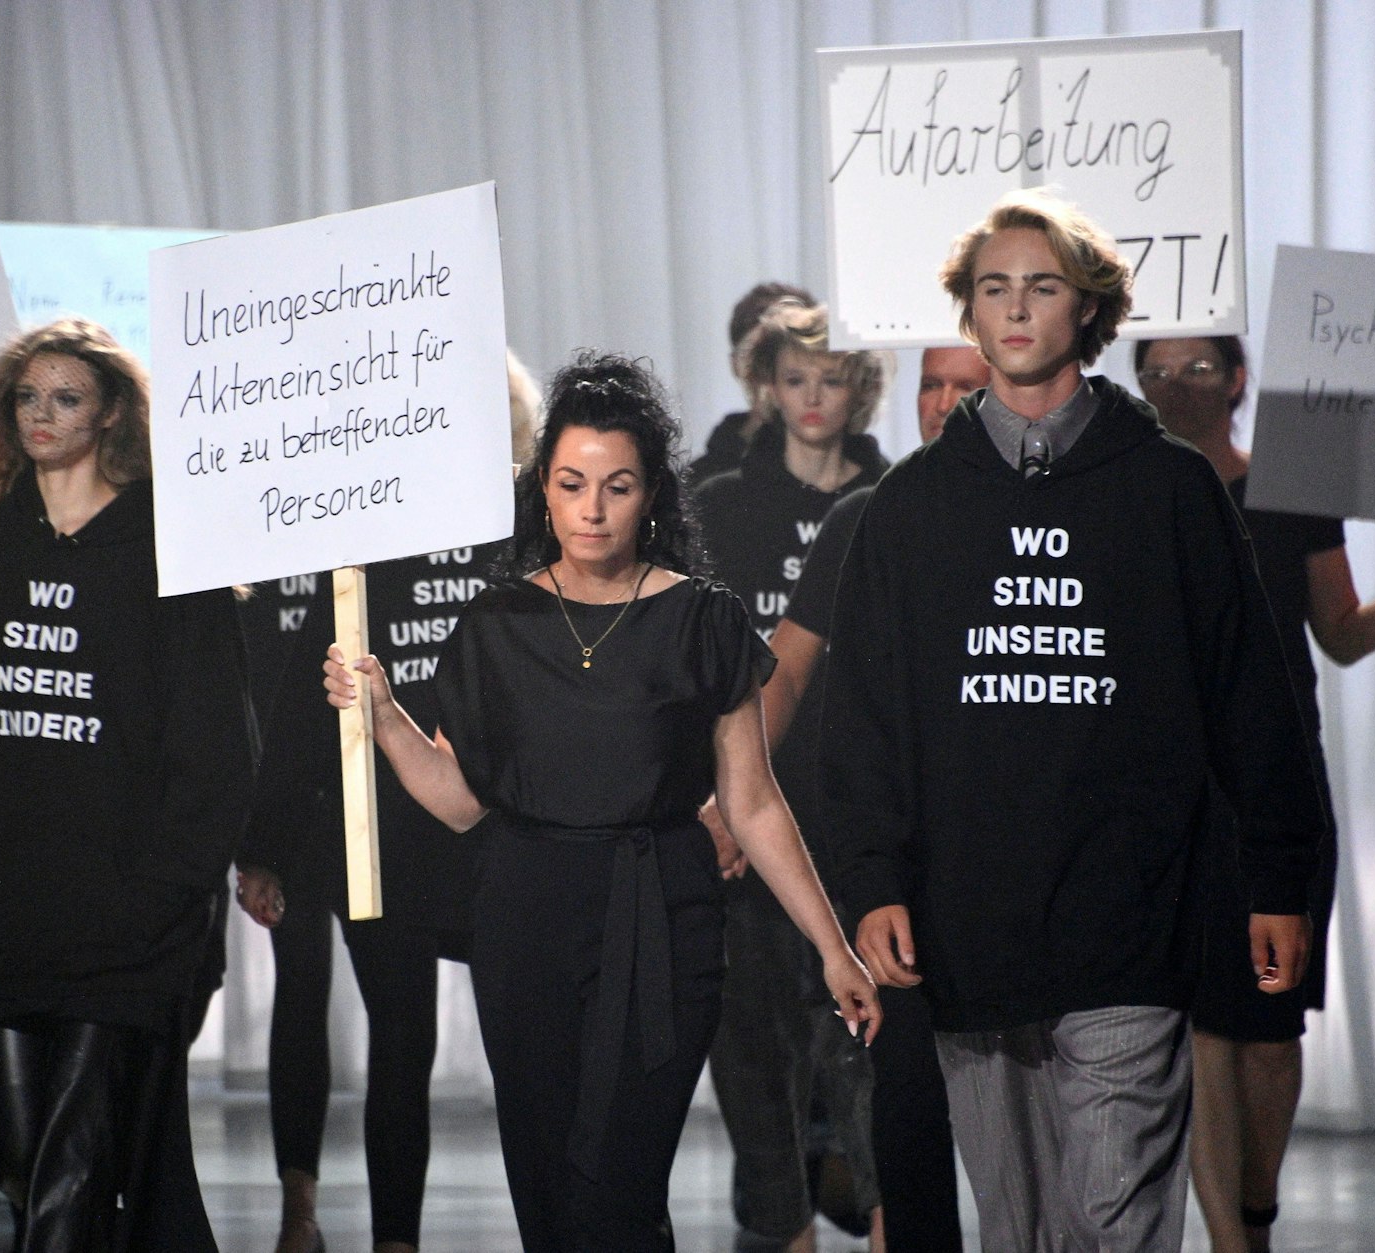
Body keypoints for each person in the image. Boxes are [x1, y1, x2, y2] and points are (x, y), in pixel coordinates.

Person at [823, 190, 1326, 1251]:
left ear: (1085, 310)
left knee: (1109, 1218)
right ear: (966, 311)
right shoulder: (907, 509)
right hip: (964, 930)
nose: (1014, 308)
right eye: (992, 287)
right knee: (1018, 1228)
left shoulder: (1170, 491)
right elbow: (862, 715)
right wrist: (868, 881)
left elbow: (1251, 695)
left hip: (1129, 922)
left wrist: (1278, 877)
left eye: (1041, 285)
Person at [325, 351, 880, 1251]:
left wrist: (833, 948)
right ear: (540, 487)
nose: (591, 508)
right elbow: (462, 803)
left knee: (616, 1195)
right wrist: (384, 715)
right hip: (523, 924)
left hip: (662, 917)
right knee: (547, 1198)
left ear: (651, 492)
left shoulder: (703, 617)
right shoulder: (497, 623)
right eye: (571, 482)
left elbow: (753, 802)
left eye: (616, 486)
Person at [0, 318, 253, 1250]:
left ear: (110, 413)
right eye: (27, 396)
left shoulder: (170, 550)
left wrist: (173, 881)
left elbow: (219, 733)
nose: (42, 415)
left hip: (125, 921)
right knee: (31, 1164)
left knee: (68, 1164)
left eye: (66, 397)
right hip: (4, 913)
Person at [1133, 334, 1375, 1252]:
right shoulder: (1130, 491)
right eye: (1156, 370)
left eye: (1197, 368)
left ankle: (1257, 1213)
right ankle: (1233, 1243)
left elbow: (1346, 633)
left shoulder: (1291, 491)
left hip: (1278, 786)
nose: (1176, 386)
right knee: (1202, 1024)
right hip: (1171, 795)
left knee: (1271, 1030)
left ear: (1239, 380)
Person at [234, 351, 541, 1253]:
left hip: (505, 832)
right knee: (403, 1043)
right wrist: (263, 846)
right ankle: (391, 1240)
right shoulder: (373, 534)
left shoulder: (534, 537)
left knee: (525, 1045)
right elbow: (304, 694)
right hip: (387, 834)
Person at [746, 343, 989, 1253]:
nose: (945, 403)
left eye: (965, 386)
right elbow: (788, 665)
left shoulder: (1051, 511)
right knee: (900, 1084)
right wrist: (730, 796)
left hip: (1007, 854)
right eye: (933, 383)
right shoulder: (869, 514)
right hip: (889, 857)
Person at [692, 303, 889, 1253]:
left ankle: (874, 1202)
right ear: (768, 385)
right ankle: (784, 1226)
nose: (816, 397)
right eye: (797, 377)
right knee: (753, 1044)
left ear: (863, 388)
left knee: (861, 1043)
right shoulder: (722, 503)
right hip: (746, 814)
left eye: (834, 377)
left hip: (853, 814)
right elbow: (694, 662)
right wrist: (720, 798)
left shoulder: (895, 497)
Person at [688, 282, 816, 483]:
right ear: (737, 365)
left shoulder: (867, 472)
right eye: (760, 357)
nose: (774, 372)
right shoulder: (699, 482)